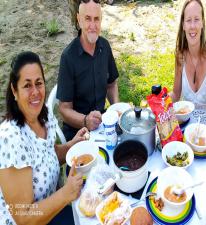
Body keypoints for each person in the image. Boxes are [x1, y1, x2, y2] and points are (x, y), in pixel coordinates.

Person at [0, 51, 87, 225]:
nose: (35, 92)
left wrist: (72, 145)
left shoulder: (43, 117)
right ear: (14, 90)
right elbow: (22, 217)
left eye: (39, 83)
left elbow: (47, 156)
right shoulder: (11, 139)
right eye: (27, 85)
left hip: (52, 212)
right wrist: (65, 194)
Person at [57, 0, 119, 141]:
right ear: (78, 20)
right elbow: (64, 109)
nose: (92, 26)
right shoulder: (68, 57)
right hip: (77, 131)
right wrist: (85, 120)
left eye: (96, 19)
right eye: (87, 19)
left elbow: (112, 84)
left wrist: (116, 108)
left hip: (102, 124)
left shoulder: (105, 46)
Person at [171, 0, 206, 147]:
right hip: (187, 124)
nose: (192, 26)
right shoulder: (180, 55)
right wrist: (160, 101)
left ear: (203, 23)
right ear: (183, 25)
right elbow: (176, 95)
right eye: (188, 20)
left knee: (201, 151)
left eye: (196, 20)